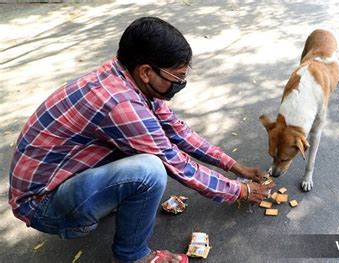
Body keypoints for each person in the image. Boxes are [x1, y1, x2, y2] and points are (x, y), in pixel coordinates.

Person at [8, 17, 275, 263]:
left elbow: (177, 131)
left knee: (141, 150)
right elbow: (175, 163)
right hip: (41, 206)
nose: (181, 83)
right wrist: (240, 190)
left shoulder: (129, 80)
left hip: (63, 181)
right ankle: (132, 255)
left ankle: (108, 201)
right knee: (150, 169)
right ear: (147, 71)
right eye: (177, 77)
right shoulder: (120, 103)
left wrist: (233, 166)